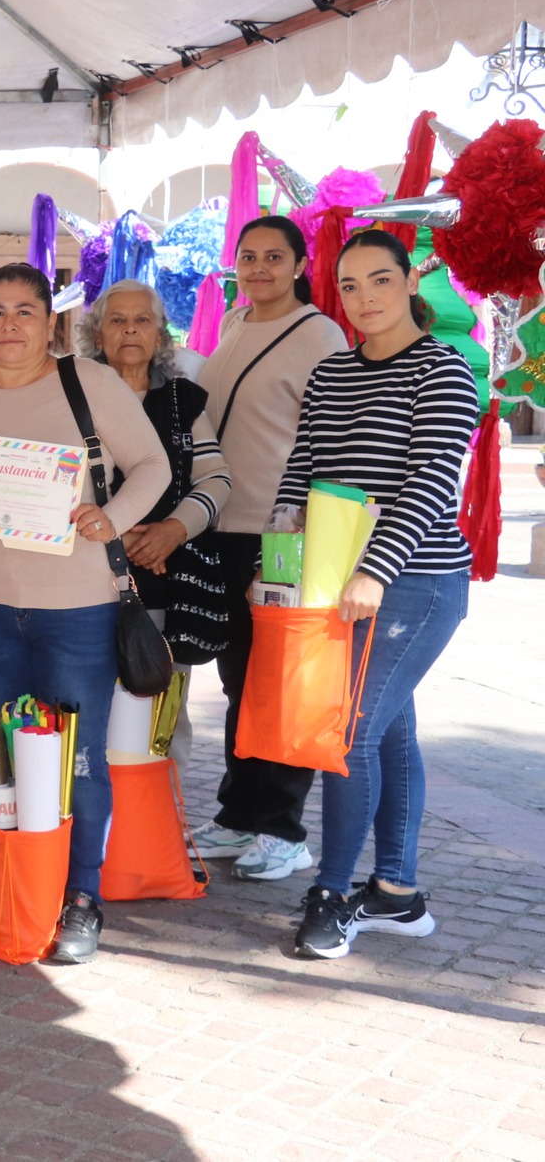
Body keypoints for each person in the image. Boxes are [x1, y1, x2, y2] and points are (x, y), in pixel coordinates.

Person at [0, 263, 170, 964]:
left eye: (25, 310)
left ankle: (80, 894)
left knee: (78, 760)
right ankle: (1, 881)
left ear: (50, 320)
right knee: (1, 754)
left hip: (77, 608)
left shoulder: (90, 383)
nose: (10, 324)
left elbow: (154, 466)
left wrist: (111, 518)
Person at [285, 230, 475, 959]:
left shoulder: (443, 371)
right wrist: (279, 562)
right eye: (352, 284)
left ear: (408, 282)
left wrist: (376, 570)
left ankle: (331, 893)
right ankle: (396, 893)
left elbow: (430, 482)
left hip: (415, 582)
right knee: (389, 731)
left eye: (380, 280)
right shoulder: (331, 373)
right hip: (336, 584)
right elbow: (300, 473)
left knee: (348, 734)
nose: (366, 297)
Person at [193, 216, 349, 880]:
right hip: (226, 528)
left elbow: (334, 440)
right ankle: (239, 812)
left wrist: (307, 531)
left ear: (299, 262)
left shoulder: (320, 334)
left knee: (282, 682)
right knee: (240, 681)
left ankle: (283, 828)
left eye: (273, 257)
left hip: (284, 535)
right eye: (248, 256)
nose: (259, 268)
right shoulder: (234, 322)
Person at [78, 278, 233, 773]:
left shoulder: (182, 400)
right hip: (82, 579)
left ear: (161, 335)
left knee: (162, 713)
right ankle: (91, 840)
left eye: (141, 320)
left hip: (163, 578)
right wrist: (116, 533)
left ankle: (157, 832)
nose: (129, 330)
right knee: (85, 712)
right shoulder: (71, 395)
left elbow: (216, 477)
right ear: (96, 335)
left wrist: (173, 530)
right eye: (116, 320)